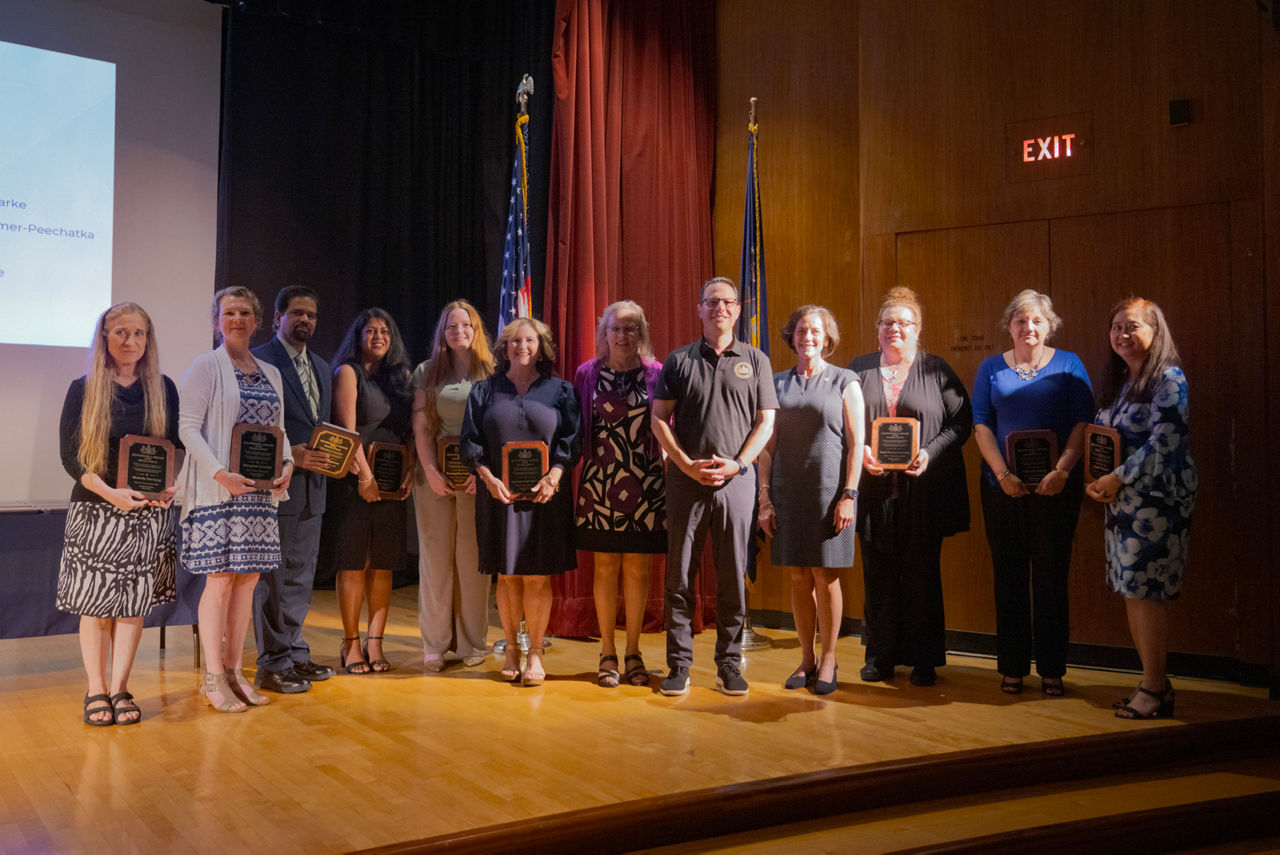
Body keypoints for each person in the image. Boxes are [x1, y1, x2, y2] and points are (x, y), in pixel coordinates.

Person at [651, 277, 778, 697]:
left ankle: (729, 665)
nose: (720, 308)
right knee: (680, 577)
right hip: (687, 483)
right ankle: (679, 666)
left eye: (728, 302)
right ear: (700, 309)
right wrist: (685, 465)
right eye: (712, 302)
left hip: (735, 484)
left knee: (731, 577)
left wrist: (740, 464)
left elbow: (766, 422)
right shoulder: (678, 360)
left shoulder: (756, 360)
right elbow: (658, 419)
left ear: (738, 310)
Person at [57, 302, 182, 725]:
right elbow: (71, 457)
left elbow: (175, 450)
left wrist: (171, 485)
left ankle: (121, 688)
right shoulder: (84, 387)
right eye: (122, 333)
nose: (132, 342)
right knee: (95, 606)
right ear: (105, 338)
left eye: (140, 333)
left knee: (132, 607)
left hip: (146, 513)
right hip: (96, 510)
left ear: (149, 339)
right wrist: (110, 494)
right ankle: (96, 689)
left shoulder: (163, 387)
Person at [848, 286, 971, 687]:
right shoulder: (858, 370)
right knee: (878, 575)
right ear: (877, 329)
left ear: (918, 330)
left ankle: (924, 660)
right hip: (874, 492)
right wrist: (863, 451)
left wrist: (931, 453)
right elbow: (842, 424)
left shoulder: (937, 370)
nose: (894, 329)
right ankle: (880, 657)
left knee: (921, 575)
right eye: (887, 323)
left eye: (903, 323)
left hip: (923, 493)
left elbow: (961, 423)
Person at [972, 290, 1093, 697]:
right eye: (1021, 321)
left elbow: (1083, 423)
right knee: (1008, 578)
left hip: (1056, 490)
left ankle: (1053, 669)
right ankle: (1011, 667)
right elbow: (981, 425)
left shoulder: (1070, 364)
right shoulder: (990, 367)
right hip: (1001, 489)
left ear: (1049, 325)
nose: (1029, 328)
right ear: (1009, 327)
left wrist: (1062, 471)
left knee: (1050, 578)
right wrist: (1002, 472)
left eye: (1037, 321)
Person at [178, 286, 293, 713]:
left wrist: (287, 466)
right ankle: (211, 678)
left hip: (259, 497)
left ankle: (234, 672)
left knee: (248, 582)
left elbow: (278, 432)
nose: (238, 319)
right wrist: (219, 474)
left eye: (246, 312)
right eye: (230, 313)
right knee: (222, 580)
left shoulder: (271, 372)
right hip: (218, 492)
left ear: (257, 319)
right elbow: (188, 427)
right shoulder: (206, 366)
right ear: (216, 321)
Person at [1086, 297, 1196, 719]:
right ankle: (1154, 684)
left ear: (1155, 331)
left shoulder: (1169, 378)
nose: (1122, 335)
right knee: (1131, 591)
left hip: (1158, 500)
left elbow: (1165, 442)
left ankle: (1153, 689)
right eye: (1116, 327)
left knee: (1146, 593)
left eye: (1132, 326)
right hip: (1123, 502)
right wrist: (1100, 481)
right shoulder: (1121, 382)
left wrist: (1116, 478)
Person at [460, 317, 581, 686]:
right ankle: (511, 648)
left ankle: (536, 654)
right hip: (499, 494)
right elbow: (470, 442)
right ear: (504, 347)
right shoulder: (483, 390)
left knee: (538, 579)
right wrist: (487, 478)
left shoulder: (561, 390)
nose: (521, 347)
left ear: (541, 346)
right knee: (509, 576)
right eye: (514, 341)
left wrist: (555, 477)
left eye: (529, 340)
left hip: (546, 495)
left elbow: (570, 442)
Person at [758, 306, 864, 696]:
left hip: (831, 493)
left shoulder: (844, 380)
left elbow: (856, 445)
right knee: (798, 576)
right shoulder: (776, 383)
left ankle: (830, 657)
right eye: (802, 330)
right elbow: (766, 449)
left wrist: (850, 494)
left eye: (816, 331)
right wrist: (764, 498)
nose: (808, 337)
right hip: (787, 494)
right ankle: (806, 658)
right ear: (792, 335)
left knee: (825, 575)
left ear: (828, 337)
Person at [573, 301, 666, 688]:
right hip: (600, 480)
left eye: (630, 328)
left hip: (645, 478)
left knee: (637, 567)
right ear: (604, 332)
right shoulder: (587, 373)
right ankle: (607, 651)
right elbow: (577, 423)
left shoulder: (657, 373)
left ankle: (633, 652)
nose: (622, 335)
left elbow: (668, 422)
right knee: (606, 565)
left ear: (641, 332)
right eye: (615, 328)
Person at [249, 286, 336, 694]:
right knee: (273, 579)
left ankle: (295, 654)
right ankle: (272, 662)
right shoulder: (260, 361)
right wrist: (289, 455)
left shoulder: (321, 365)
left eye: (312, 315)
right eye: (297, 313)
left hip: (313, 489)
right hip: (276, 486)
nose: (305, 320)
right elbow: (252, 428)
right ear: (277, 318)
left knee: (301, 577)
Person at [319, 308, 415, 675]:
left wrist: (410, 472)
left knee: (384, 564)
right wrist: (364, 476)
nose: (378, 336)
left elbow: (409, 432)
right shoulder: (347, 372)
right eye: (370, 330)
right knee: (354, 563)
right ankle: (351, 643)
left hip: (391, 482)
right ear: (357, 337)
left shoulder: (401, 379)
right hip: (355, 480)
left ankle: (376, 642)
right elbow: (347, 431)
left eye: (385, 331)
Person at [411, 300, 495, 672]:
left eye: (465, 325)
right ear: (442, 334)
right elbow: (421, 427)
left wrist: (483, 472)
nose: (458, 332)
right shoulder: (426, 372)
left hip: (478, 478)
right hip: (433, 477)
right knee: (436, 561)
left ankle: (472, 643)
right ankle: (434, 643)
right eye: (450, 326)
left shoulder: (493, 372)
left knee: (473, 561)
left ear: (475, 330)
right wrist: (430, 470)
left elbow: (497, 428)